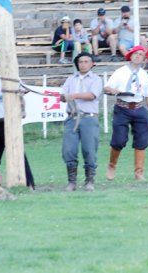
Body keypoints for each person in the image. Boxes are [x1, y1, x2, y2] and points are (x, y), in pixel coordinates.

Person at [0, 56, 35, 189]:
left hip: (8, 123)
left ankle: (29, 183)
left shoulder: (5, 80)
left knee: (18, 153)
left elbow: (23, 88)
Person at [104, 46, 148, 182]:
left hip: (138, 107)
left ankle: (139, 172)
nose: (138, 56)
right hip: (122, 108)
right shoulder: (120, 72)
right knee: (119, 140)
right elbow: (107, 88)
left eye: (141, 54)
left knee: (142, 140)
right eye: (136, 54)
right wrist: (112, 90)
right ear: (130, 55)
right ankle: (112, 165)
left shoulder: (144, 75)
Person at [61, 52, 103, 191]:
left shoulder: (96, 79)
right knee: (69, 149)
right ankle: (71, 182)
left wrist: (72, 95)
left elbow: (92, 95)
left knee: (89, 149)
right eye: (80, 62)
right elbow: (63, 95)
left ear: (92, 64)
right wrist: (64, 96)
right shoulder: (70, 79)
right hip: (72, 118)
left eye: (86, 61)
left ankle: (89, 180)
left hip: (88, 118)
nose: (83, 64)